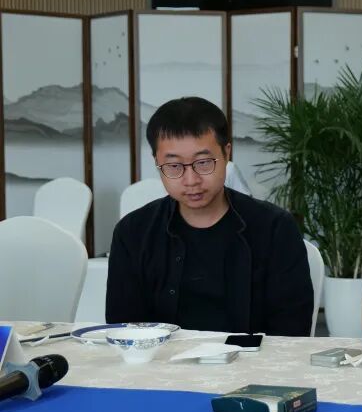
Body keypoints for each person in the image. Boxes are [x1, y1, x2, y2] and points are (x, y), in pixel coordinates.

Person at [106, 97, 313, 335]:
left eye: (203, 163)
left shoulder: (275, 228)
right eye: (174, 166)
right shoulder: (133, 232)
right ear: (157, 163)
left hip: (252, 358)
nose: (191, 180)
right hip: (161, 359)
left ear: (226, 153)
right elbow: (124, 329)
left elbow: (291, 332)